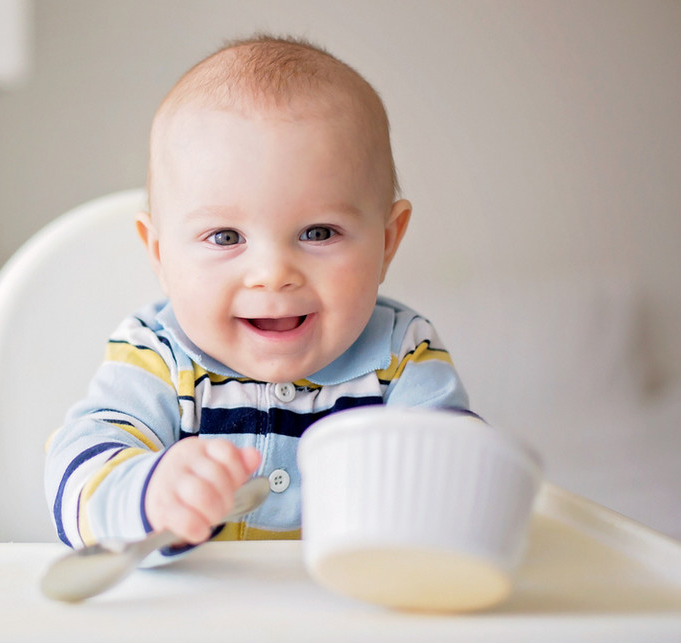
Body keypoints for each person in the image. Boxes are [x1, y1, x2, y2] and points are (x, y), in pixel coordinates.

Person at [45, 34, 468, 563]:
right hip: (193, 630)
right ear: (159, 253)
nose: (272, 275)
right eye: (225, 238)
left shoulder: (401, 356)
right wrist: (149, 493)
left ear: (388, 241)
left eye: (318, 233)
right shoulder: (156, 356)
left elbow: (462, 477)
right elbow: (76, 476)